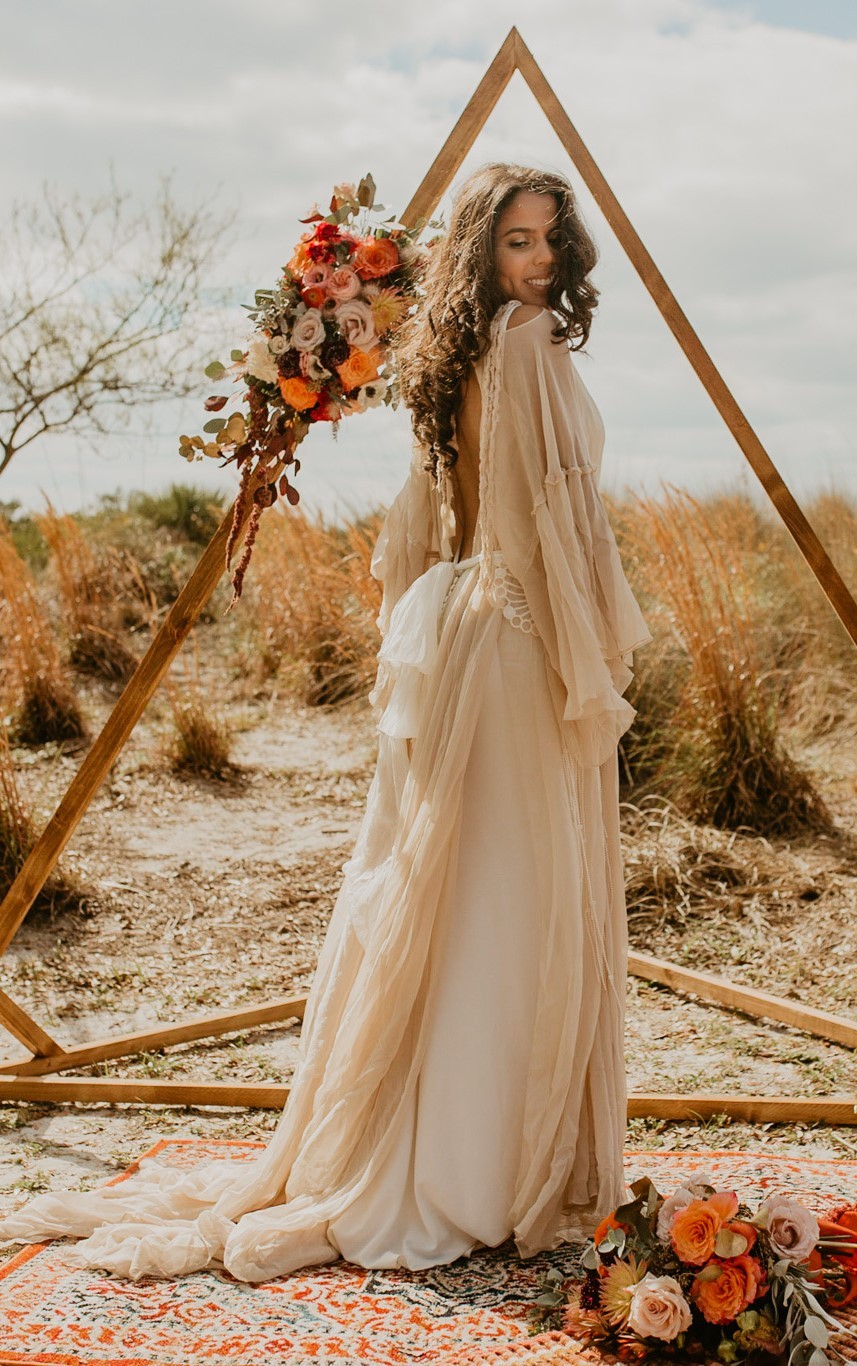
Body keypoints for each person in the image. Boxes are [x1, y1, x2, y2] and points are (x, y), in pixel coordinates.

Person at [0, 162, 652, 1281]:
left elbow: (427, 527)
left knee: (455, 888)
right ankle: (476, 1162)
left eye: (548, 241)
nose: (540, 262)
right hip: (516, 637)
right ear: (481, 254)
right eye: (516, 243)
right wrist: (583, 659)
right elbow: (555, 522)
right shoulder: (526, 347)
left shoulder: (447, 356)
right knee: (509, 890)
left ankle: (447, 1141)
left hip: (456, 625)